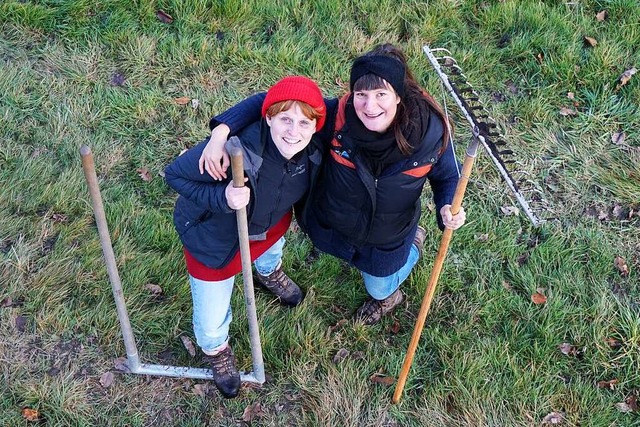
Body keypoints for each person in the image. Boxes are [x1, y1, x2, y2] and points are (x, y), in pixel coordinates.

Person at [200, 43, 466, 327]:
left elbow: (448, 176)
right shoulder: (338, 119)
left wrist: (447, 204)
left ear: (398, 96)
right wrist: (221, 132)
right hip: (332, 225)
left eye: (381, 95)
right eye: (361, 94)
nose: (370, 106)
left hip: (387, 238)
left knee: (380, 288)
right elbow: (272, 101)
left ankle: (407, 257)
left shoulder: (432, 133)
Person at [164, 76, 326, 398]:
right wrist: (222, 197)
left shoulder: (312, 148)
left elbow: (271, 98)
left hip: (267, 228)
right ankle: (216, 350)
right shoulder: (233, 151)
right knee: (210, 325)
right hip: (216, 243)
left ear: (315, 126)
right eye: (285, 120)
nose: (294, 131)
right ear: (268, 117)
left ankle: (268, 272)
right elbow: (175, 174)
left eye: (303, 123)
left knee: (270, 251)